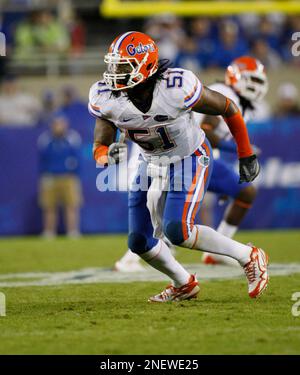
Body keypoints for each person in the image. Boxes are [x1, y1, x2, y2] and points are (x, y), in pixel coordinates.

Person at [89, 31, 269, 302]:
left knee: (178, 230)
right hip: (150, 162)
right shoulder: (106, 95)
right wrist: (105, 155)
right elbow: (101, 141)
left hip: (189, 156)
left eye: (123, 66)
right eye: (113, 65)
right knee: (138, 242)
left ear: (146, 65)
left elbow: (228, 107)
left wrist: (245, 153)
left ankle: (248, 256)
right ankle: (183, 283)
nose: (114, 72)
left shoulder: (175, 86)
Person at [116, 56, 269, 269]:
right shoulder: (227, 94)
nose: (256, 87)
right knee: (167, 217)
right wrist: (240, 150)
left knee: (168, 217)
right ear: (236, 77)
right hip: (187, 156)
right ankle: (136, 257)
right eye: (252, 80)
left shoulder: (236, 99)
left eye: (259, 82)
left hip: (184, 156)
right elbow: (208, 132)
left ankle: (145, 256)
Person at [38, 116, 82, 238]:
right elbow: (42, 160)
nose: (59, 127)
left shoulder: (72, 138)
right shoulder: (45, 139)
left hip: (69, 177)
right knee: (49, 206)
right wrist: (44, 175)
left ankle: (73, 232)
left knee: (71, 205)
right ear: (52, 125)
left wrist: (75, 174)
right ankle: (48, 232)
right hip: (50, 177)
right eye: (56, 124)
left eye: (61, 124)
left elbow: (78, 159)